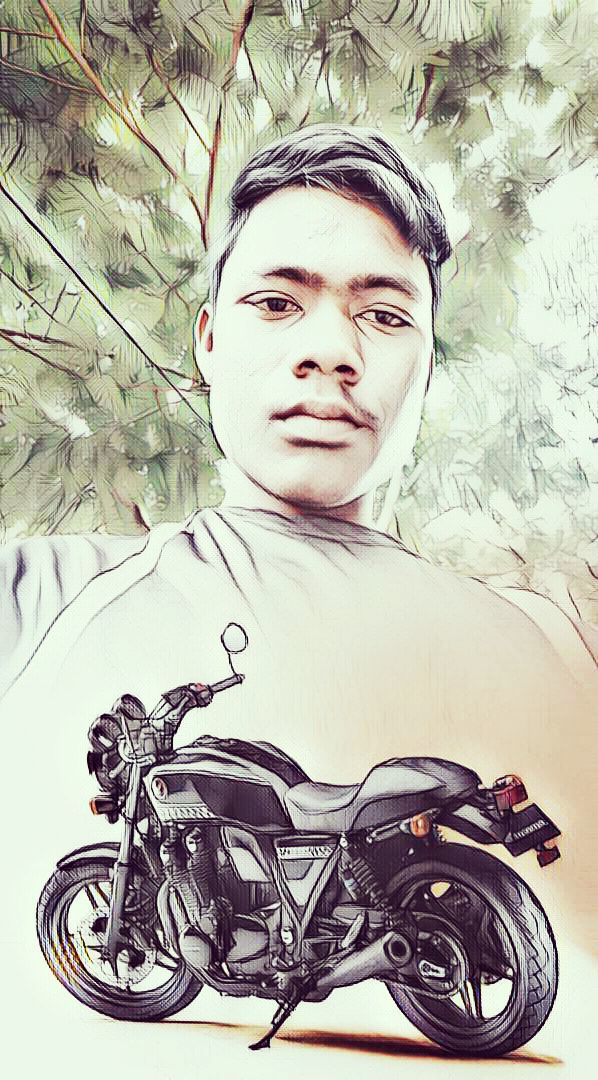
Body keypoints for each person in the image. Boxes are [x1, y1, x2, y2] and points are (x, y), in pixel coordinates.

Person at [1, 125, 596, 1070]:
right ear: (208, 340)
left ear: (427, 362)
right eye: (277, 302)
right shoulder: (38, 595)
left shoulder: (559, 636)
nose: (329, 349)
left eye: (385, 315)